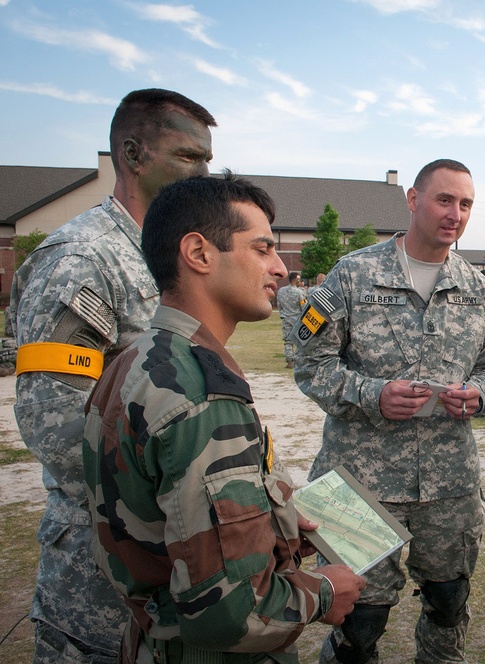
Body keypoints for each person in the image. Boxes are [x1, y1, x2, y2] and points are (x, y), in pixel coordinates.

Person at [81, 174, 365, 663]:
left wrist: (274, 516)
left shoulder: (136, 361)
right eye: (261, 249)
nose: (279, 268)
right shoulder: (201, 392)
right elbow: (231, 615)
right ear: (199, 253)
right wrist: (323, 593)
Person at [10, 88, 216, 663]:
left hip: (170, 564)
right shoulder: (82, 259)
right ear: (132, 154)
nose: (205, 170)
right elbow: (56, 430)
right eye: (188, 156)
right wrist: (188, 482)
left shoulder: (172, 254)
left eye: (208, 157)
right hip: (101, 579)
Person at [293, 158, 485, 664]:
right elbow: (311, 368)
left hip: (449, 486)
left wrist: (478, 394)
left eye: (466, 204)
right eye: (444, 199)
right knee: (359, 620)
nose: (455, 213)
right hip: (361, 484)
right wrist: (374, 394)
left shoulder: (478, 288)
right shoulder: (351, 275)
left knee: (448, 603)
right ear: (413, 200)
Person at [277, 271, 308, 367]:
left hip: (286, 318)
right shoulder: (299, 292)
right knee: (301, 341)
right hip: (298, 320)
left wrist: (283, 314)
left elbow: (279, 305)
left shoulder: (281, 291)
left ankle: (289, 361)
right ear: (296, 280)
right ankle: (300, 361)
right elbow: (304, 307)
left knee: (288, 341)